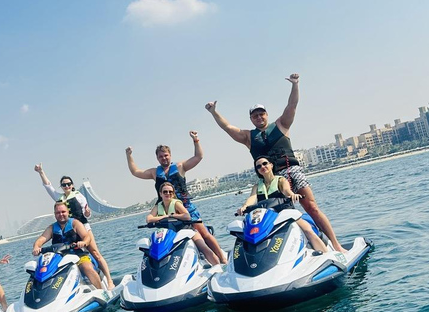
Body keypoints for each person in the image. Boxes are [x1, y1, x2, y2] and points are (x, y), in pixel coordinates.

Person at [204, 73, 345, 252]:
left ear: (266, 115)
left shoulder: (281, 125)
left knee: (311, 207)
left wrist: (295, 84)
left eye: (261, 114)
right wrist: (214, 112)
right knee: (274, 216)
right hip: (271, 179)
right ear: (251, 119)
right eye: (255, 116)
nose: (259, 117)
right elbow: (227, 127)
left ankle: (336, 245)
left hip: (292, 170)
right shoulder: (248, 137)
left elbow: (292, 105)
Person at [125, 131, 228, 264]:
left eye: (166, 155)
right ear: (157, 158)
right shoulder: (154, 173)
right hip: (168, 210)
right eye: (161, 156)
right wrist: (129, 156)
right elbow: (135, 171)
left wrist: (196, 140)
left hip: (186, 207)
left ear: (170, 155)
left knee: (204, 234)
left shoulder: (180, 166)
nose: (164, 158)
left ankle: (222, 258)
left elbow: (198, 156)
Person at [33, 164, 114, 289]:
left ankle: (109, 281)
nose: (66, 186)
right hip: (65, 230)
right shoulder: (58, 198)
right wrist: (41, 172)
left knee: (95, 252)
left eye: (68, 184)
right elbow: (48, 186)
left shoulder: (79, 196)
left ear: (72, 185)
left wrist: (87, 213)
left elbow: (87, 213)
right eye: (64, 184)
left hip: (82, 226)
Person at [237, 156, 329, 253]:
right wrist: (244, 207)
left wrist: (292, 195)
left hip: (286, 213)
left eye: (265, 163)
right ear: (257, 170)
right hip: (268, 218)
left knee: (307, 230)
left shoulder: (281, 180)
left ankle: (326, 254)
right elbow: (252, 197)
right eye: (259, 166)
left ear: (271, 165)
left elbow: (286, 190)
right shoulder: (257, 186)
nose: (262, 167)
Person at [32, 202, 104, 290]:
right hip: (60, 259)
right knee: (42, 272)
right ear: (55, 214)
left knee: (87, 267)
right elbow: (41, 239)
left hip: (78, 256)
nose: (61, 214)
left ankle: (101, 291)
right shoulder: (51, 228)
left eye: (63, 212)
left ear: (68, 212)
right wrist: (36, 247)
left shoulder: (75, 223)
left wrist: (83, 242)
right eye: (58, 213)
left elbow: (87, 237)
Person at [147, 182, 221, 266]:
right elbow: (149, 219)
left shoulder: (176, 203)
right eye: (165, 192)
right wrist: (165, 217)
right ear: (160, 194)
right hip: (170, 235)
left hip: (187, 230)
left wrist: (172, 215)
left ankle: (218, 268)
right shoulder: (157, 206)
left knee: (203, 247)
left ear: (173, 193)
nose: (168, 193)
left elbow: (187, 216)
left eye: (170, 192)